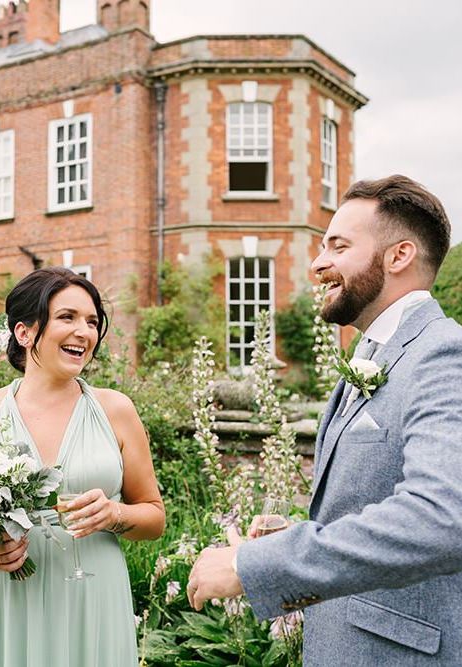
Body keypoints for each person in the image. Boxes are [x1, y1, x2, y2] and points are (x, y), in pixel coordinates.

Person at [188, 175, 462, 664]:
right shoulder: (372, 353)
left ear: (398, 256)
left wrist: (255, 565)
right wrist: (297, 531)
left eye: (338, 246)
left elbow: (441, 517)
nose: (318, 263)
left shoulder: (442, 354)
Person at [0, 267, 165, 667]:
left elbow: (154, 517)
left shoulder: (116, 410)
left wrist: (113, 514)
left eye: (92, 322)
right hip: (5, 600)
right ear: (24, 332)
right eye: (67, 317)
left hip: (92, 598)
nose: (84, 331)